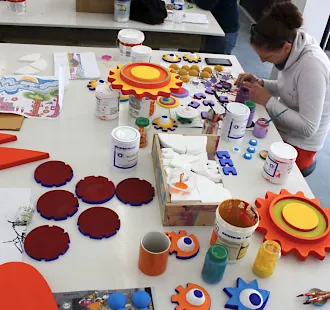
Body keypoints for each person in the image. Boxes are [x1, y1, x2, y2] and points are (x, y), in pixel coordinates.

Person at [235, 2, 330, 171]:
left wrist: (268, 100)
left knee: (245, 162)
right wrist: (260, 82)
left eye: (266, 56)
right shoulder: (294, 48)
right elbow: (289, 88)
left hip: (300, 146)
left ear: (286, 47)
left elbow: (308, 128)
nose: (262, 61)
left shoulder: (312, 66)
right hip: (285, 129)